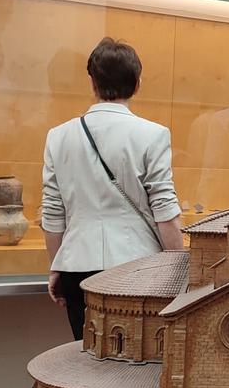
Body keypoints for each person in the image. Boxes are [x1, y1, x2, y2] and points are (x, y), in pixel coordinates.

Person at [42, 38, 184, 340]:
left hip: (77, 266)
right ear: (137, 83)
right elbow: (164, 210)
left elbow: (53, 212)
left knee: (86, 358)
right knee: (137, 363)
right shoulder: (153, 135)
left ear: (92, 81)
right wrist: (179, 270)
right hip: (138, 268)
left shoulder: (59, 136)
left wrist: (57, 266)